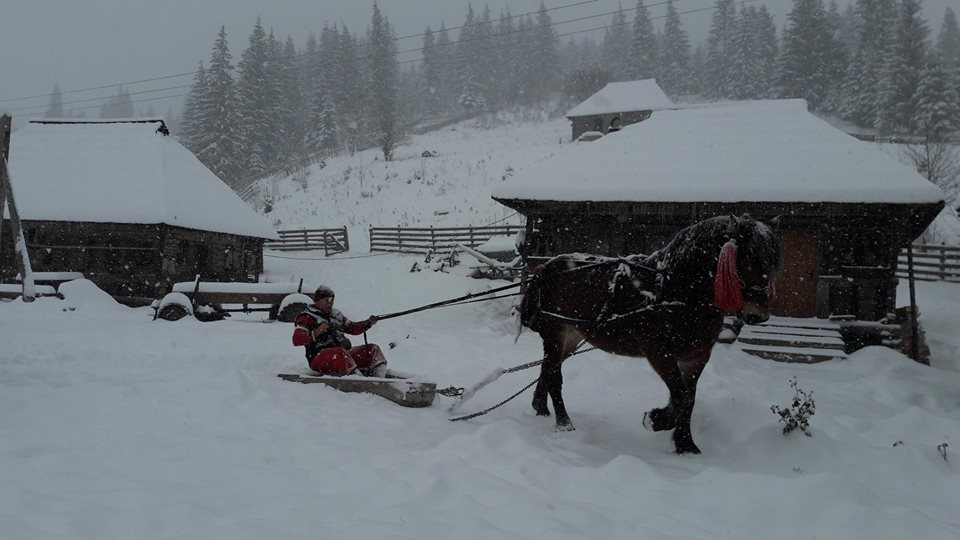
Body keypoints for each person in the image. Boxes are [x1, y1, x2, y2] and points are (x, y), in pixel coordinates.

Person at [292, 285, 387, 377]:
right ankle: (358, 380)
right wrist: (316, 332)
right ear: (317, 301)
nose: (330, 303)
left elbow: (352, 328)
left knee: (372, 349)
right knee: (340, 353)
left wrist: (368, 323)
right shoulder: (306, 317)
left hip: (344, 357)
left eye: (332, 300)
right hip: (319, 357)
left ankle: (379, 378)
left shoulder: (336, 316)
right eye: (327, 300)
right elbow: (297, 339)